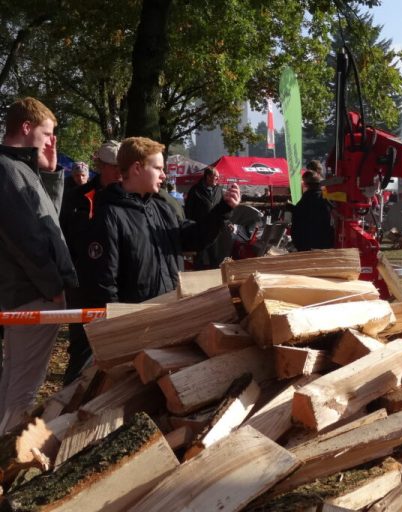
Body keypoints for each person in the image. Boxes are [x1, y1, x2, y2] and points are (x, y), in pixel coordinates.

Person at [79, 137, 240, 305]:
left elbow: (193, 238)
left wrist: (223, 209)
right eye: (158, 168)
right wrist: (119, 322)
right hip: (135, 323)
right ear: (137, 168)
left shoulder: (163, 209)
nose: (164, 175)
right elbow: (103, 282)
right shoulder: (109, 215)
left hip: (169, 315)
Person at [0, 97, 77, 433]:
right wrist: (53, 287)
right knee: (23, 389)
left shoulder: (18, 170)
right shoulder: (7, 170)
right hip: (33, 292)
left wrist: (49, 173)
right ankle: (8, 459)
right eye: (48, 133)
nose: (51, 141)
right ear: (27, 127)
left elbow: (47, 221)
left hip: (30, 290)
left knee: (14, 381)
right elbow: (25, 239)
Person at [59, 140, 122, 383]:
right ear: (100, 165)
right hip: (83, 287)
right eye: (112, 166)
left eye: (121, 167)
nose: (118, 172)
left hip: (117, 288)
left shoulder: (129, 196)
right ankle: (66, 410)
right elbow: (62, 235)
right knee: (81, 351)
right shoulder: (77, 198)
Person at [184, 167, 231, 268]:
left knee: (215, 259)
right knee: (200, 259)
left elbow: (223, 209)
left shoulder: (219, 190)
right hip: (200, 230)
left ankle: (216, 278)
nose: (218, 180)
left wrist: (227, 221)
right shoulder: (195, 190)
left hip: (215, 230)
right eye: (216, 177)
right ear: (208, 177)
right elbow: (188, 211)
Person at [291, 170, 334, 251]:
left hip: (309, 243)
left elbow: (300, 217)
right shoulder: (327, 197)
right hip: (324, 241)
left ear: (306, 184)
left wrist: (290, 208)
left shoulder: (308, 198)